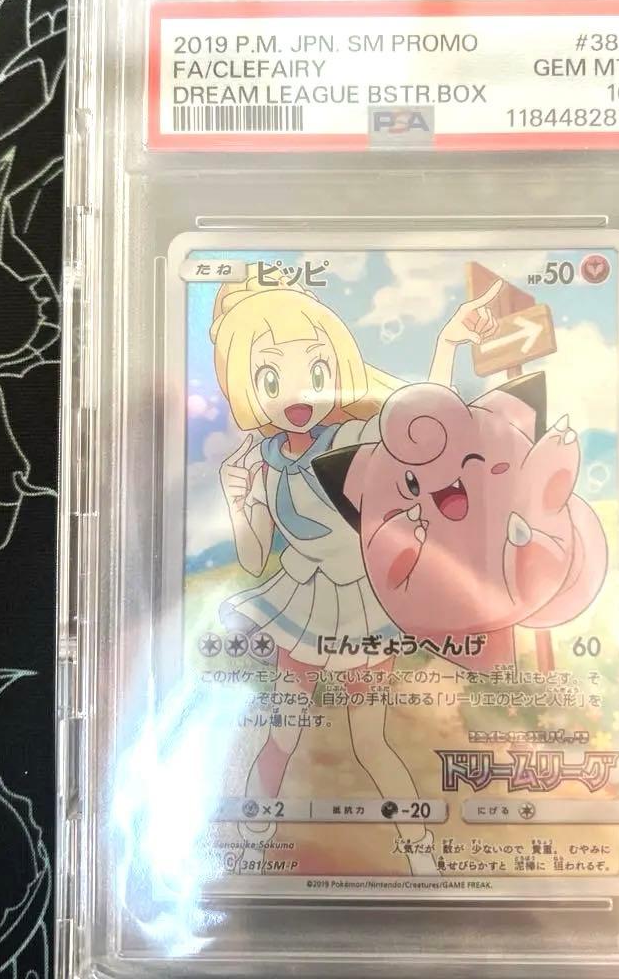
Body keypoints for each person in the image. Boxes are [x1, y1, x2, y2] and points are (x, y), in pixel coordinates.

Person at [211, 264, 499, 873]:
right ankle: (249, 850)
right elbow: (255, 558)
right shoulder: (262, 459)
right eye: (271, 376)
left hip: (362, 609)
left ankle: (419, 854)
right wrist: (239, 503)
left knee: (369, 740)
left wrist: (448, 343)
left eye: (315, 370)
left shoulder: (355, 435)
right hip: (302, 605)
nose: (297, 394)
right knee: (282, 731)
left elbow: (425, 422)